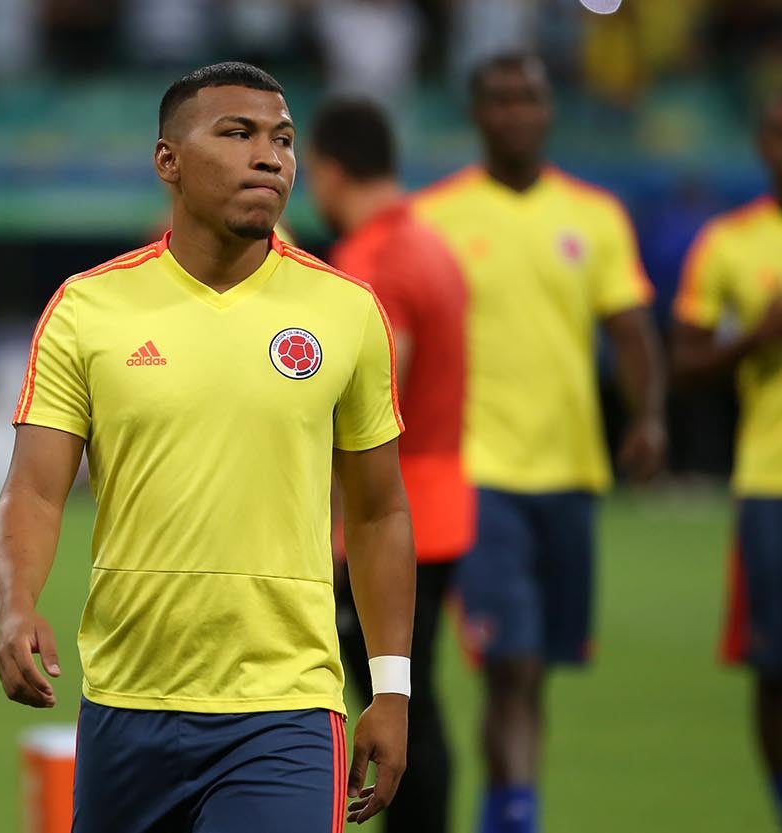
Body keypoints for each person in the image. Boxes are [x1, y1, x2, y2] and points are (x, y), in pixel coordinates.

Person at [0, 61, 416, 833]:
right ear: (168, 162)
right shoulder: (88, 309)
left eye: (282, 139)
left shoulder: (344, 311)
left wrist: (390, 688)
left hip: (283, 709)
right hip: (126, 700)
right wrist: (15, 603)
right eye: (237, 133)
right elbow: (34, 490)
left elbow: (380, 510)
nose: (270, 156)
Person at [413, 52, 667, 833]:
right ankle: (516, 819)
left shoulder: (593, 215)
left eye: (529, 98)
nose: (516, 112)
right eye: (500, 99)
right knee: (510, 662)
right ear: (477, 113)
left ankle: (511, 811)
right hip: (479, 472)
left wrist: (648, 415)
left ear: (549, 110)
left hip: (571, 471)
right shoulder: (436, 218)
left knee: (534, 675)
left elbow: (630, 331)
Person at [307, 96, 472, 833]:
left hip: (384, 519)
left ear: (329, 170)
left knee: (392, 703)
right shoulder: (432, 246)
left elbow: (375, 396)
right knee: (415, 697)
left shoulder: (371, 260)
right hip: (441, 504)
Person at [671, 92, 782, 826]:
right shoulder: (728, 241)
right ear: (760, 142)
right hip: (768, 481)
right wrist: (755, 339)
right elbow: (684, 360)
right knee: (774, 669)